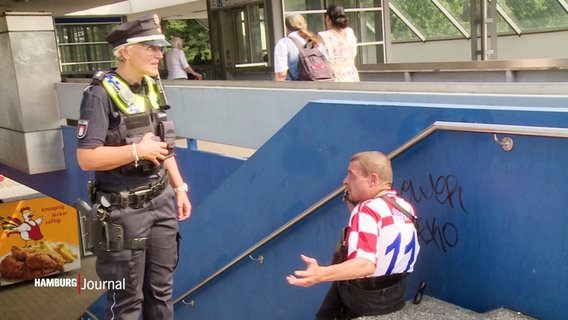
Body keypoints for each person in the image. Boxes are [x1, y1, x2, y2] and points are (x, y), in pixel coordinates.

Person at [76, 14, 192, 319]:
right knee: (126, 303)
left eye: (160, 47)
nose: (159, 53)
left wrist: (179, 187)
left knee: (161, 293)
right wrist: (136, 150)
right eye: (150, 47)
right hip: (123, 212)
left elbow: (164, 147)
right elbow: (86, 158)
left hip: (161, 201)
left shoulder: (151, 87)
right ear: (125, 52)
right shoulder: (99, 95)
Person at [287, 151, 420, 319]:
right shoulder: (405, 207)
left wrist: (319, 274)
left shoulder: (366, 210)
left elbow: (365, 264)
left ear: (373, 180)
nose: (345, 181)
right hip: (395, 294)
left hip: (364, 300)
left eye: (351, 175)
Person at [273, 14, 323, 81]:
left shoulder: (283, 43)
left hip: (296, 88)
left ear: (286, 27)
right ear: (305, 25)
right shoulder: (316, 42)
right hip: (320, 85)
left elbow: (281, 74)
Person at [318, 5, 360, 82]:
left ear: (328, 18)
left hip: (335, 75)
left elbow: (314, 53)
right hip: (352, 74)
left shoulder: (324, 36)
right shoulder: (350, 32)